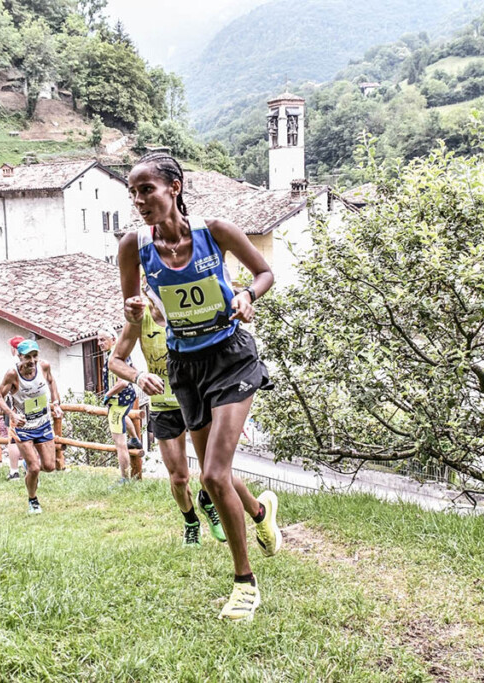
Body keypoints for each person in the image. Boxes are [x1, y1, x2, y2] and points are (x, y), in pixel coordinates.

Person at [118, 151, 282, 622]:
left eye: (146, 190)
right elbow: (131, 305)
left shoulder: (216, 232)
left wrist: (247, 295)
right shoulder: (133, 246)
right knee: (217, 472)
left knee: (212, 475)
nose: (139, 201)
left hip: (230, 356)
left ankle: (245, 583)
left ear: (174, 188)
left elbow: (266, 273)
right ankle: (260, 513)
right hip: (184, 367)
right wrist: (133, 309)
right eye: (133, 193)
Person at [107, 287, 227, 546]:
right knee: (179, 477)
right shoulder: (140, 317)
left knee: (212, 470)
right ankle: (191, 521)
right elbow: (114, 361)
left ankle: (207, 501)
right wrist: (138, 376)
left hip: (196, 399)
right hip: (163, 404)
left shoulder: (188, 308)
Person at [0, 339, 63, 514]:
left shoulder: (44, 366)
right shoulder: (12, 374)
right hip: (24, 427)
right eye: (27, 357)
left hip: (43, 423)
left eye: (35, 356)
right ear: (19, 356)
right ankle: (33, 500)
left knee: (49, 466)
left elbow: (51, 381)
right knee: (35, 468)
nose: (32, 361)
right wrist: (12, 414)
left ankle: (29, 467)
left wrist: (56, 403)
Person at [97, 327, 143, 482]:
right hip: (127, 398)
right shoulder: (120, 352)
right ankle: (135, 439)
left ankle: (125, 479)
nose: (99, 343)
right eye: (98, 340)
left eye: (102, 340)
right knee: (124, 417)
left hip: (118, 401)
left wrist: (107, 395)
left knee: (120, 443)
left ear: (113, 339)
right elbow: (133, 368)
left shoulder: (115, 356)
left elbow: (122, 382)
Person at [0, 335, 26, 480]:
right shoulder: (31, 363)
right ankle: (29, 469)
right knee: (29, 437)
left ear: (14, 349)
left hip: (14, 404)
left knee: (13, 439)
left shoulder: (11, 366)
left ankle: (14, 471)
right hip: (30, 404)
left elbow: (2, 390)